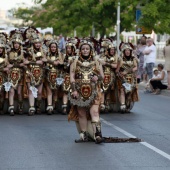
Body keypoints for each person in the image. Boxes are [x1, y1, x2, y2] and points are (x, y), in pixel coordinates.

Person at [68, 38, 104, 143]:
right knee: (81, 113)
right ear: (80, 50)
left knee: (94, 112)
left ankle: (97, 135)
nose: (85, 50)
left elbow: (102, 76)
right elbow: (71, 77)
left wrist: (98, 78)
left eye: (87, 49)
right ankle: (83, 135)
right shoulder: (74, 61)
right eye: (83, 49)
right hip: (79, 90)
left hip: (94, 90)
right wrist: (74, 90)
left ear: (90, 50)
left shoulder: (96, 61)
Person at [24, 32, 46, 115]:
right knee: (31, 91)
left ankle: (38, 106)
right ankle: (31, 107)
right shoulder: (28, 51)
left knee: (39, 92)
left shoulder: (43, 51)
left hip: (40, 74)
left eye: (38, 43)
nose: (37, 44)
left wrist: (44, 62)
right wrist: (27, 71)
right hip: (30, 73)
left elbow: (45, 62)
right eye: (36, 43)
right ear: (33, 43)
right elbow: (25, 63)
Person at [7, 30, 26, 115]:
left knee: (19, 92)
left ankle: (20, 106)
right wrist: (8, 65)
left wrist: (23, 64)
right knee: (11, 91)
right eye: (15, 43)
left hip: (20, 74)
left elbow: (25, 63)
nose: (16, 45)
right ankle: (11, 108)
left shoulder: (23, 53)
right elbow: (6, 63)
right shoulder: (8, 53)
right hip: (11, 74)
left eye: (18, 43)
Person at [117, 42, 139, 113]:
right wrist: (119, 74)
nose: (127, 52)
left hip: (131, 78)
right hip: (122, 78)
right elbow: (117, 69)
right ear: (124, 51)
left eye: (128, 50)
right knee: (122, 91)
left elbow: (136, 67)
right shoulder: (120, 59)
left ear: (130, 51)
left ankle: (127, 103)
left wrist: (127, 71)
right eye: (126, 50)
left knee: (129, 92)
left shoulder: (133, 59)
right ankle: (122, 105)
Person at [99, 39, 118, 112]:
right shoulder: (102, 56)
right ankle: (102, 104)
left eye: (113, 50)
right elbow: (99, 64)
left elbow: (115, 65)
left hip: (111, 75)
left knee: (109, 90)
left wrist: (106, 63)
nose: (112, 51)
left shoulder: (116, 57)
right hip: (103, 75)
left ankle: (107, 104)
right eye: (111, 50)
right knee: (103, 89)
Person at [45, 40, 63, 114]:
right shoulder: (46, 54)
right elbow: (44, 60)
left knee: (55, 92)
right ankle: (49, 107)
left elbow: (62, 63)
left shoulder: (60, 55)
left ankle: (54, 105)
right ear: (49, 47)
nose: (53, 48)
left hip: (57, 75)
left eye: (54, 47)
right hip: (48, 75)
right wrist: (52, 62)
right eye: (52, 47)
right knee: (49, 91)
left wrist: (59, 63)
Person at [61, 38, 77, 114]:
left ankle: (73, 107)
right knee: (65, 91)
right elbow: (63, 66)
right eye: (67, 48)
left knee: (73, 91)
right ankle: (64, 107)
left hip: (74, 76)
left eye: (70, 48)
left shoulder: (76, 57)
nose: (68, 49)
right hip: (66, 75)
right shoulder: (64, 56)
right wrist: (67, 63)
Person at [0, 34, 9, 114]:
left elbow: (9, 66)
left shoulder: (6, 57)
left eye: (1, 48)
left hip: (3, 77)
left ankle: (1, 108)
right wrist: (3, 69)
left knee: (2, 92)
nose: (0, 50)